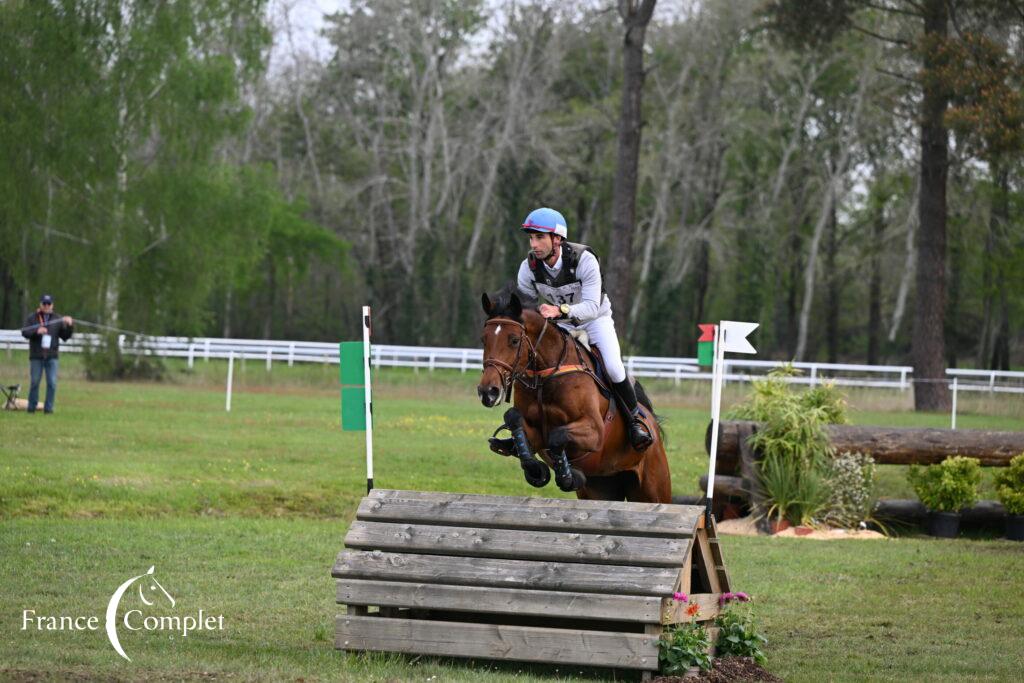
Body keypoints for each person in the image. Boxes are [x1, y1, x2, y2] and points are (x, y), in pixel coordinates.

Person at [515, 207, 653, 451]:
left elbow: (591, 306)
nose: (534, 244)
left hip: (594, 320)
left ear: (557, 239)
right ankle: (524, 430)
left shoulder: (583, 259)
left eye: (539, 237)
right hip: (558, 325)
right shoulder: (528, 268)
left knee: (612, 366)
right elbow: (525, 309)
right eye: (531, 238)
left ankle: (635, 421)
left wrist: (561, 311)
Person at [20, 294, 73, 414]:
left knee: (52, 383)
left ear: (52, 305)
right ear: (40, 304)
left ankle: (48, 409)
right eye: (44, 303)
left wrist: (69, 326)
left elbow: (65, 337)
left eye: (49, 304)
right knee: (34, 382)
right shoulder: (32, 318)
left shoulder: (57, 319)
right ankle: (31, 408)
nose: (46, 306)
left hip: (52, 356)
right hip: (36, 356)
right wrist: (36, 331)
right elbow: (24, 332)